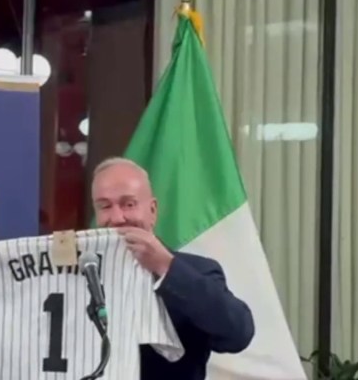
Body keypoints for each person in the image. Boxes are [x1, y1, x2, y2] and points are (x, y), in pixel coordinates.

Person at [90, 157, 254, 379]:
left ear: (153, 210)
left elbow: (238, 334)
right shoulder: (78, 275)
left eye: (129, 204)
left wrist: (165, 266)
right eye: (105, 206)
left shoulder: (197, 271)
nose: (117, 218)